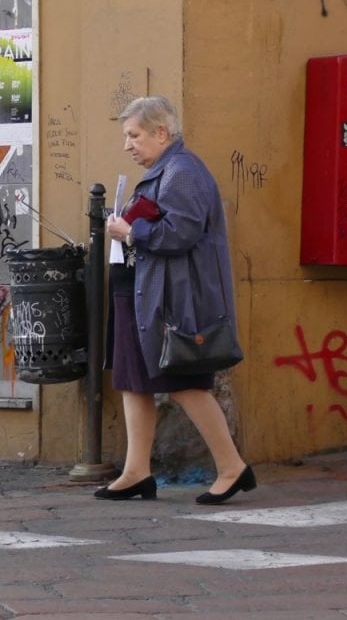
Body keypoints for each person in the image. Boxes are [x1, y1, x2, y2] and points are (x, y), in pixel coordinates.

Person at [95, 96, 255, 505]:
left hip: (167, 298)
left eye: (134, 135)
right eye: (126, 136)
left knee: (183, 383)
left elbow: (180, 233)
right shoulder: (166, 170)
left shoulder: (182, 171)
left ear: (161, 133)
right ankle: (136, 472)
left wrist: (130, 233)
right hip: (141, 292)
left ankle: (232, 467)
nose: (128, 145)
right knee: (133, 382)